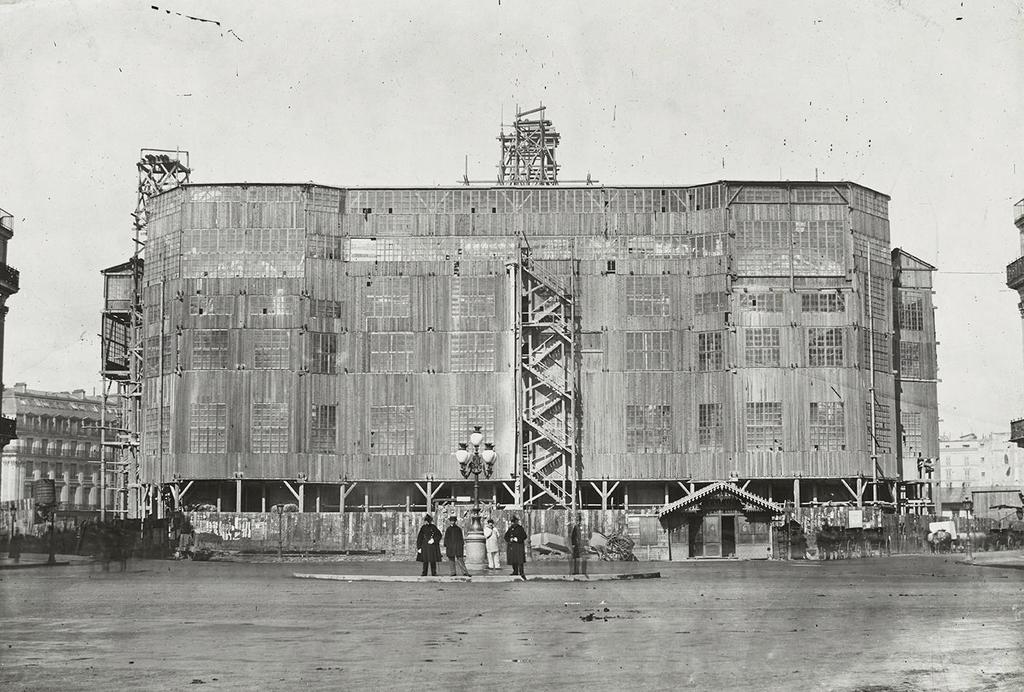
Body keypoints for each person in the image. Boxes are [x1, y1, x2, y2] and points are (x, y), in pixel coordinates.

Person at [504, 514, 528, 580]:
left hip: (519, 546)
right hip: (512, 546)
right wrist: (510, 539)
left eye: (514, 522)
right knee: (513, 559)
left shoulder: (520, 528)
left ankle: (521, 572)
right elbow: (506, 536)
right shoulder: (510, 529)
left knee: (520, 560)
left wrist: (517, 539)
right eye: (512, 522)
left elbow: (524, 536)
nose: (513, 523)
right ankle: (515, 571)